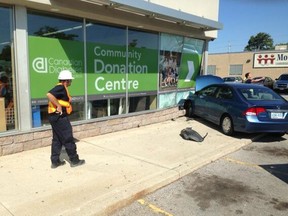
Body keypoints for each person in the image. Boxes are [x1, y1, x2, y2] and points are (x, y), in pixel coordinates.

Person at [47, 70, 85, 168]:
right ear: (66, 81)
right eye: (70, 81)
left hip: (54, 117)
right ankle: (74, 160)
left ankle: (55, 161)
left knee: (57, 139)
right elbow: (49, 95)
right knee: (68, 138)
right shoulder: (60, 87)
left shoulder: (61, 87)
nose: (70, 83)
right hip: (59, 117)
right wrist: (59, 106)